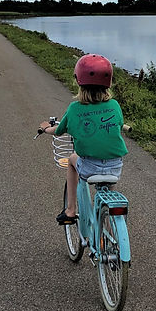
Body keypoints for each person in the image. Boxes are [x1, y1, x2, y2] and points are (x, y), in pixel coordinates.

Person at [39, 54, 128, 224]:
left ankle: (71, 210)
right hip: (115, 167)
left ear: (79, 81)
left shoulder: (75, 108)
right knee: (109, 186)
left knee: (72, 160)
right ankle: (107, 222)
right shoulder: (115, 105)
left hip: (89, 168)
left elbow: (58, 130)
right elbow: (119, 123)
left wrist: (45, 128)